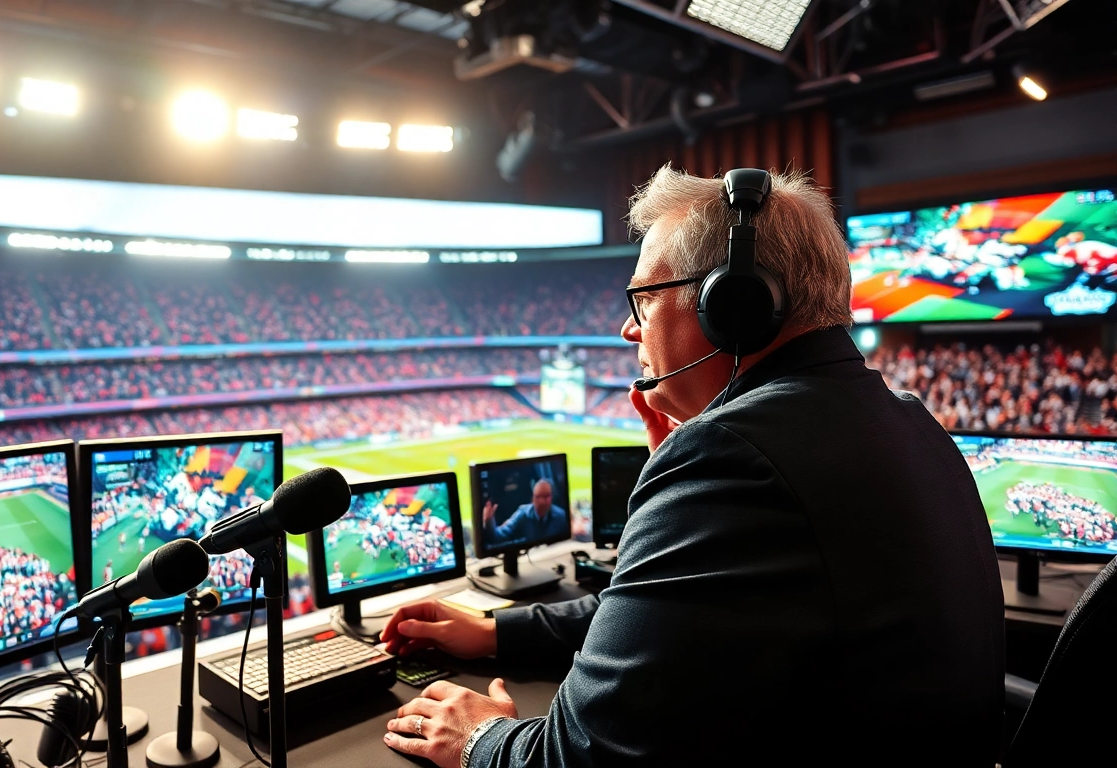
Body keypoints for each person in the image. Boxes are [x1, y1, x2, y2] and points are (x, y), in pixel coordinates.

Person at [379, 167, 1005, 766]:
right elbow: (685, 617)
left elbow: (586, 756)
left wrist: (478, 737)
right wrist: (498, 633)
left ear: (732, 304)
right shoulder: (902, 419)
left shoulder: (735, 458)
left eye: (644, 302)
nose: (629, 330)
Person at [481, 479, 567, 548]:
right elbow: (498, 537)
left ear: (552, 497)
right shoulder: (522, 514)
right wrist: (489, 522)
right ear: (533, 498)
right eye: (538, 497)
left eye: (546, 496)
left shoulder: (561, 516)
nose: (542, 502)